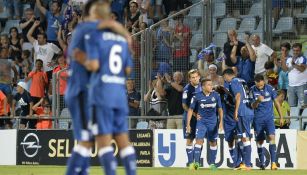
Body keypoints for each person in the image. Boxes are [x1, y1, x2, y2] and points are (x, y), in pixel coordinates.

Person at [64, 0, 132, 174]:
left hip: (92, 91)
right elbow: (127, 43)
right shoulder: (91, 30)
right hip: (82, 90)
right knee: (88, 139)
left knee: (89, 140)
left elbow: (91, 62)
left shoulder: (91, 32)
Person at [84, 2, 136, 175]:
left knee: (104, 139)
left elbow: (92, 65)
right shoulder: (121, 41)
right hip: (119, 94)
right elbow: (128, 69)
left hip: (103, 93)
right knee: (122, 138)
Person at [186, 79, 223, 170]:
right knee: (199, 141)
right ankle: (196, 164)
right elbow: (190, 110)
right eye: (209, 85)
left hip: (213, 123)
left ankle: (212, 164)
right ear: (203, 87)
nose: (211, 86)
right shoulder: (196, 96)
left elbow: (220, 109)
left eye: (211, 84)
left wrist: (221, 122)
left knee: (213, 142)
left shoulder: (216, 95)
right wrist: (188, 124)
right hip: (201, 122)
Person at [222, 68, 254, 170]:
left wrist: (236, 111)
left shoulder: (233, 82)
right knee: (242, 136)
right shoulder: (242, 80)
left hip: (242, 112)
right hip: (249, 110)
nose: (225, 80)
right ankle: (243, 163)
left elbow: (238, 95)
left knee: (245, 137)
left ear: (227, 75)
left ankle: (247, 164)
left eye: (224, 78)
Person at [250, 74, 282, 170]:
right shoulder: (252, 90)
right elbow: (252, 106)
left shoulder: (270, 89)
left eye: (260, 84)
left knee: (272, 138)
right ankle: (262, 163)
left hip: (269, 119)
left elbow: (276, 102)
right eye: (257, 84)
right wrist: (258, 101)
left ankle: (273, 163)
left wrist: (281, 117)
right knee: (260, 141)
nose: (259, 85)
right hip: (257, 120)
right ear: (255, 82)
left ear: (263, 81)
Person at [182, 69, 201, 167]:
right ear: (189, 79)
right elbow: (184, 106)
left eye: (196, 77)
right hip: (190, 118)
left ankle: (197, 162)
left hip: (201, 118)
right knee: (190, 139)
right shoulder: (187, 89)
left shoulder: (203, 87)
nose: (195, 79)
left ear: (199, 77)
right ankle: (190, 163)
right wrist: (194, 114)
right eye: (192, 77)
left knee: (200, 139)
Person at [281, 43, 307, 111]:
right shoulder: (289, 59)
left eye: (297, 50)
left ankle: (304, 121)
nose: (295, 52)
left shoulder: (303, 58)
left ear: (300, 50)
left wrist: (294, 64)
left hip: (302, 85)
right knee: (292, 107)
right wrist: (283, 59)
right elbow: (284, 69)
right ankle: (293, 121)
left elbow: (302, 69)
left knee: (304, 106)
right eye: (294, 50)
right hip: (291, 86)